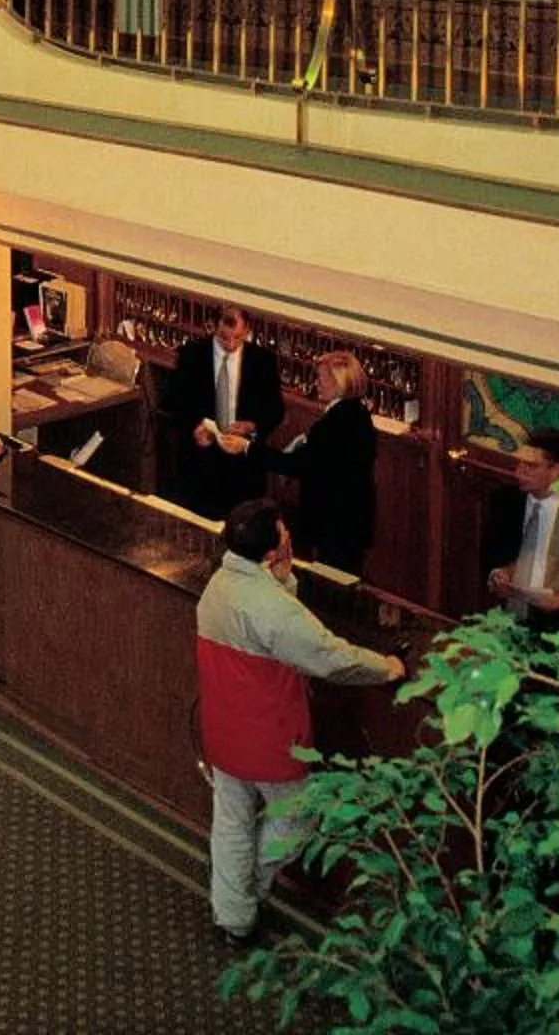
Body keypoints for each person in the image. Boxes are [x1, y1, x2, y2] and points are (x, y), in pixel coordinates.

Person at [195, 499, 404, 949]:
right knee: (296, 819)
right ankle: (245, 883)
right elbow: (331, 658)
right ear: (270, 551)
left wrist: (283, 576)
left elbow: (269, 620)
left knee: (231, 820)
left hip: (224, 727)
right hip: (270, 736)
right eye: (282, 529)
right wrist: (385, 667)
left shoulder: (220, 584)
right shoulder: (271, 606)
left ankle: (232, 911)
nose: (289, 531)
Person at [481, 428, 559, 642]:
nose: (519, 472)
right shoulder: (506, 501)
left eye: (531, 467)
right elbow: (490, 554)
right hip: (510, 617)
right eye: (519, 464)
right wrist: (499, 574)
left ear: (556, 471)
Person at [164, 306, 281, 519]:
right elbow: (174, 402)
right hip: (200, 463)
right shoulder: (192, 354)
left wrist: (252, 426)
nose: (230, 345)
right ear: (213, 326)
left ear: (247, 331)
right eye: (224, 338)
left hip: (244, 466)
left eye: (237, 338)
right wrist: (194, 428)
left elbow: (275, 411)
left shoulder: (263, 361)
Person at [271, 350, 377, 576]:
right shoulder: (358, 415)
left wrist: (248, 448)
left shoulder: (334, 424)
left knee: (330, 583)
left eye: (321, 379)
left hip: (334, 525)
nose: (316, 383)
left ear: (339, 383)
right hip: (351, 523)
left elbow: (296, 464)